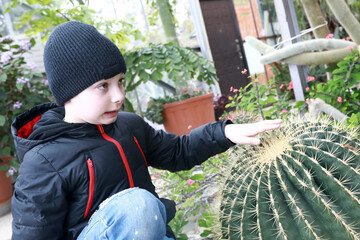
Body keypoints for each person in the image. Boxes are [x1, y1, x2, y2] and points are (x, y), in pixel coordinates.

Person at [11, 21, 281, 240]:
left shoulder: (129, 126)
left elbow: (178, 152)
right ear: (69, 92)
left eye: (120, 82)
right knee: (137, 206)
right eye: (103, 86)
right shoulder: (43, 161)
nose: (118, 96)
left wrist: (223, 133)